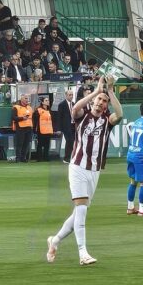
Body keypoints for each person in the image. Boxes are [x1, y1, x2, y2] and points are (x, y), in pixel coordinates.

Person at [46, 77, 123, 266]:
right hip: (78, 167)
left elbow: (119, 114)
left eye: (104, 101)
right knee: (81, 209)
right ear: (93, 101)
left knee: (78, 213)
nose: (101, 103)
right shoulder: (83, 116)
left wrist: (110, 91)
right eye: (99, 100)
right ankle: (83, 253)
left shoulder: (107, 121)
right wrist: (96, 91)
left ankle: (54, 240)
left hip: (95, 171)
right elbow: (74, 109)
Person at [11, 93, 34, 163]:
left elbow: (32, 118)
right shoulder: (16, 107)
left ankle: (23, 158)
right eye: (25, 98)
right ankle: (18, 158)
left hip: (29, 128)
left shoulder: (30, 108)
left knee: (26, 144)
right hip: (20, 128)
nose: (27, 100)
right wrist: (22, 118)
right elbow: (13, 117)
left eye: (28, 98)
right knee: (19, 144)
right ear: (21, 99)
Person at [56, 87, 77, 163]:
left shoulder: (74, 104)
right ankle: (66, 158)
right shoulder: (62, 105)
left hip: (74, 126)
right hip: (66, 127)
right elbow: (59, 117)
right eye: (70, 95)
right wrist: (58, 128)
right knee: (69, 141)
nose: (71, 96)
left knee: (74, 142)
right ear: (66, 95)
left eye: (72, 95)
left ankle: (71, 157)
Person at [34, 96, 55, 162]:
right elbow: (35, 120)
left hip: (48, 130)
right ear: (42, 102)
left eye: (48, 100)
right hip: (41, 130)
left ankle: (46, 157)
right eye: (46, 100)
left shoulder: (49, 110)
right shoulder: (38, 110)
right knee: (40, 144)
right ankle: (39, 158)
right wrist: (35, 129)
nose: (48, 101)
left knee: (47, 145)